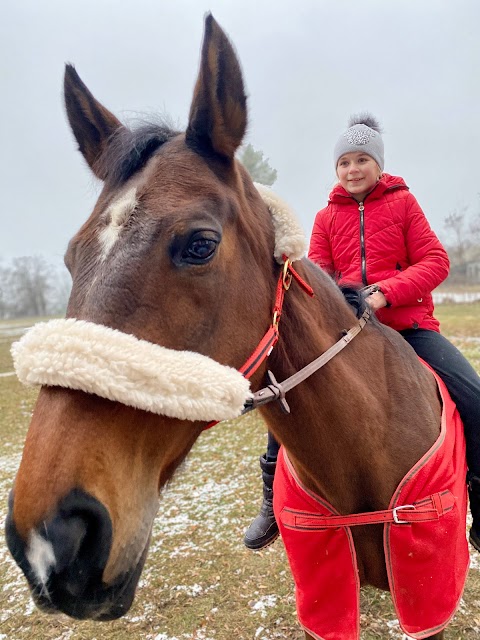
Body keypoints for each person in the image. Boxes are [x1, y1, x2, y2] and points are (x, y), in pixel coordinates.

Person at [243, 114, 480, 553]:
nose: (352, 169)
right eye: (344, 162)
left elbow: (435, 261)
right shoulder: (326, 216)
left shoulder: (404, 204)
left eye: (362, 160)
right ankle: (271, 501)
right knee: (285, 395)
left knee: (475, 399)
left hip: (410, 328)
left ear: (378, 164)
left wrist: (385, 294)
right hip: (346, 335)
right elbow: (318, 277)